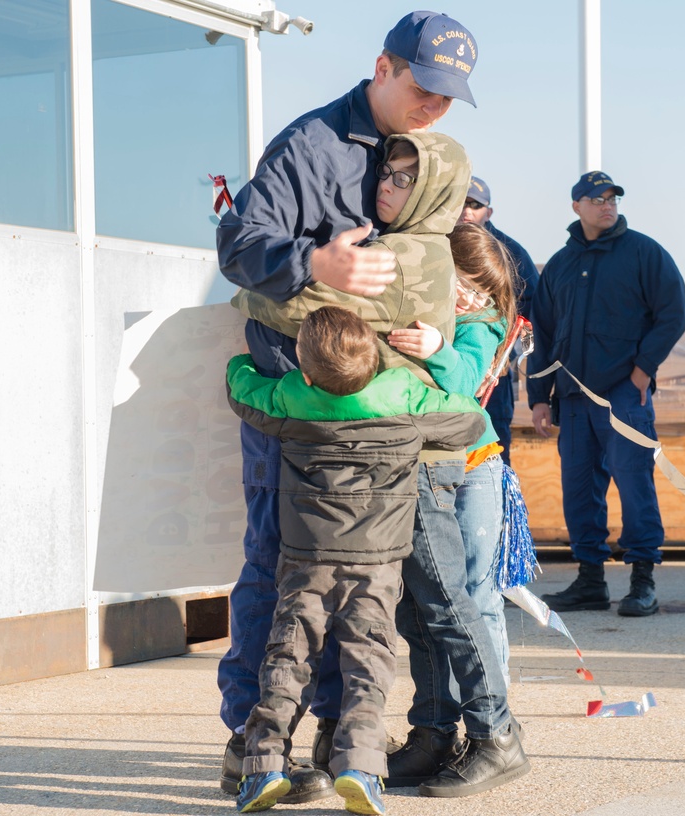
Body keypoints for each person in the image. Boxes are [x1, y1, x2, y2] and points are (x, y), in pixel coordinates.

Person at [214, 10, 479, 804]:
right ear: (384, 67)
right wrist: (311, 259)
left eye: (449, 96)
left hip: (386, 425)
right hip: (301, 410)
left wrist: (441, 335)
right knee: (277, 567)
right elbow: (237, 246)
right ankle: (250, 743)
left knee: (365, 582)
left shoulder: (429, 158)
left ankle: (339, 738)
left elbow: (447, 270)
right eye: (424, 87)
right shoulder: (311, 143)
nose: (434, 105)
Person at [232, 137, 529, 798]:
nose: (388, 185)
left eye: (405, 176)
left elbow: (306, 310)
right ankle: (433, 732)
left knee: (449, 602)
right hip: (399, 459)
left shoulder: (413, 255)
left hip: (419, 459)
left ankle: (496, 732)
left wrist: (266, 283)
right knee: (418, 614)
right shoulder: (409, 243)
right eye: (386, 172)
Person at [227, 306, 486, 815]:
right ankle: (361, 769)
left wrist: (240, 363)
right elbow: (469, 420)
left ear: (304, 369)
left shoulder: (291, 397)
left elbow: (243, 394)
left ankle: (262, 769)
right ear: (373, 360)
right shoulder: (402, 394)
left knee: (287, 662)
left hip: (306, 564)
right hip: (377, 567)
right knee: (369, 666)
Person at [526, 171, 685, 617]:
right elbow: (541, 333)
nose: (606, 205)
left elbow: (673, 312)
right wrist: (539, 394)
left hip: (622, 392)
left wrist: (642, 370)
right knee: (578, 488)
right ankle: (590, 581)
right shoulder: (558, 265)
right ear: (576, 206)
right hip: (573, 397)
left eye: (611, 197)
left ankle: (642, 580)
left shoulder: (643, 252)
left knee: (633, 482)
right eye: (595, 199)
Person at [387, 222, 518, 693]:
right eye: (464, 282)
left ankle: (495, 714)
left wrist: (439, 349)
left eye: (483, 290)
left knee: (477, 592)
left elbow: (463, 384)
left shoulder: (481, 326)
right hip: (425, 467)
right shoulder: (421, 309)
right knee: (428, 602)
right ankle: (441, 716)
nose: (471, 297)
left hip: (474, 466)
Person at [458, 177, 539, 464]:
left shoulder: (509, 251)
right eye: (462, 201)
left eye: (475, 204)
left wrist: (505, 338)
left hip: (495, 370)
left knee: (494, 452)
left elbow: (535, 304)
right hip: (449, 365)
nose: (467, 210)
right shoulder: (439, 242)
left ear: (488, 212)